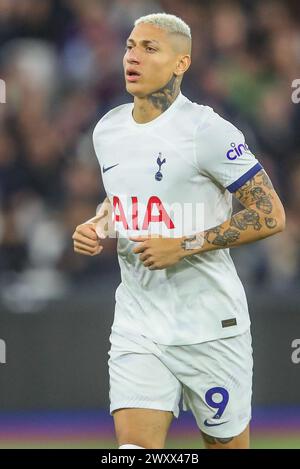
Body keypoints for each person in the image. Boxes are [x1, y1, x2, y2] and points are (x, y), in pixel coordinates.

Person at [72, 13, 285, 450]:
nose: (133, 56)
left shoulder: (206, 131)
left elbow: (271, 214)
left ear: (180, 63)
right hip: (138, 323)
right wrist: (99, 224)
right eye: (130, 45)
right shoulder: (107, 129)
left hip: (210, 325)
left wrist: (184, 245)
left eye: (150, 48)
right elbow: (125, 198)